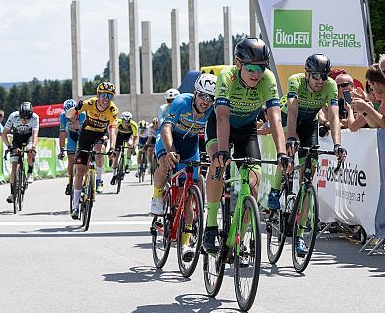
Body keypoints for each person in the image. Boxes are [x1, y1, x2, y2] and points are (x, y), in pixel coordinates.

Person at [203, 37, 291, 253]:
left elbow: (276, 118)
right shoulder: (227, 76)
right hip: (221, 125)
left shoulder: (267, 79)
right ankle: (211, 224)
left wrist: (282, 152)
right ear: (238, 63)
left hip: (246, 129)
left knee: (253, 179)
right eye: (251, 67)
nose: (256, 73)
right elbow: (222, 116)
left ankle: (241, 236)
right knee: (217, 165)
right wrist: (222, 151)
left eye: (261, 67)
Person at [277, 53, 346, 256]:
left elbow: (333, 116)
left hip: (309, 124)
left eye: (324, 77)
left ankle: (300, 233)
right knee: (287, 155)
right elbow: (292, 111)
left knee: (309, 176)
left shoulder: (330, 85)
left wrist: (337, 144)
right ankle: (275, 190)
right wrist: (290, 138)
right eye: (316, 76)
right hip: (289, 118)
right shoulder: (295, 81)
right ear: (307, 74)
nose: (320, 81)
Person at [151, 74, 216, 261]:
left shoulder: (211, 110)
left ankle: (186, 243)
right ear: (195, 93)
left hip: (190, 145)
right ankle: (157, 195)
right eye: (203, 96)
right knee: (165, 162)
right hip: (169, 139)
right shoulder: (181, 101)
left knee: (189, 193)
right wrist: (170, 150)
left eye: (210, 98)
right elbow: (166, 128)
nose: (206, 101)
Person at [66, 82, 118, 219]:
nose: (106, 99)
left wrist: (112, 147)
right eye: (104, 95)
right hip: (85, 135)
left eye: (110, 96)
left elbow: (113, 131)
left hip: (100, 136)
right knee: (80, 171)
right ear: (98, 95)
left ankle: (99, 180)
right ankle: (75, 205)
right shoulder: (89, 103)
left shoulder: (113, 110)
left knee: (100, 152)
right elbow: (68, 115)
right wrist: (75, 108)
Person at [1, 102, 40, 203]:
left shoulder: (35, 117)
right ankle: (13, 194)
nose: (24, 121)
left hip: (29, 137)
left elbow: (35, 135)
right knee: (14, 165)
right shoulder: (13, 116)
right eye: (23, 118)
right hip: (17, 138)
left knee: (30, 150)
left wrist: (33, 147)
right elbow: (4, 134)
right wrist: (10, 147)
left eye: (27, 119)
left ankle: (30, 172)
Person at [349, 64, 385, 130]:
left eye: (370, 85)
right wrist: (364, 110)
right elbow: (376, 125)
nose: (371, 89)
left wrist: (366, 107)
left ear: (376, 84)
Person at [58, 99, 85, 195]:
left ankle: (85, 181)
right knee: (71, 160)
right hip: (72, 136)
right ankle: (70, 181)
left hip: (83, 136)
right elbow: (61, 134)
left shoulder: (82, 114)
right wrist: (61, 150)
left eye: (72, 113)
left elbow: (83, 133)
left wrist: (74, 122)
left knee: (83, 159)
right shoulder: (63, 116)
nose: (71, 115)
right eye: (68, 113)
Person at [112, 111, 138, 184]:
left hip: (129, 136)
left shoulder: (133, 125)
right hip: (120, 136)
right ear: (122, 120)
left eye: (128, 121)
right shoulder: (117, 122)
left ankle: (127, 165)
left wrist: (134, 148)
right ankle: (114, 175)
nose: (127, 123)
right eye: (125, 121)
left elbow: (136, 138)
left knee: (130, 144)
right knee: (116, 156)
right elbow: (113, 132)